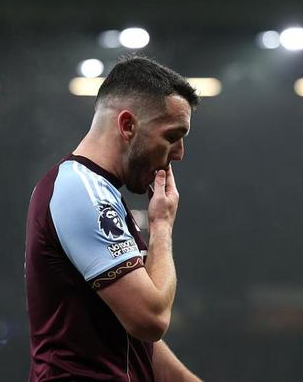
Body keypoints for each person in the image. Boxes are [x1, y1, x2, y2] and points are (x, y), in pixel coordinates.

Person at [25, 55, 202, 381]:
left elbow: (139, 345)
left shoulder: (99, 193)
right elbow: (150, 320)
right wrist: (162, 227)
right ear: (128, 125)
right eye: (172, 136)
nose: (179, 153)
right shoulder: (81, 191)